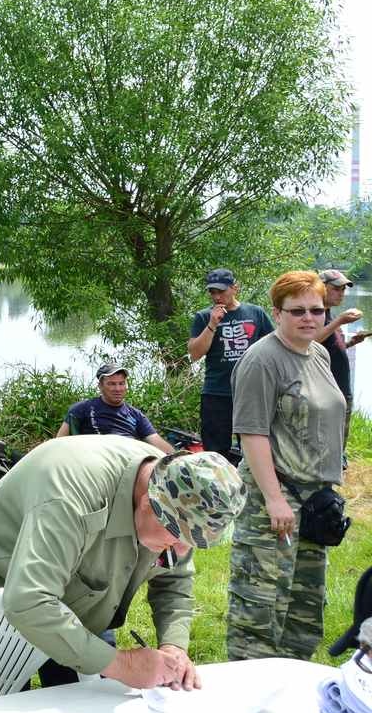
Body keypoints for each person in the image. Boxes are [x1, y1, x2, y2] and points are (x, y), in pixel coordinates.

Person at [0, 437, 242, 689]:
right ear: (147, 503)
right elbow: (28, 601)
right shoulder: (70, 496)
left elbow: (174, 581)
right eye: (178, 536)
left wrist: (173, 646)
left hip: (84, 590)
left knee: (84, 704)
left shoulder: (179, 497)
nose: (182, 550)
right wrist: (124, 665)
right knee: (0, 705)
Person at [226, 270, 349, 661]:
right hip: (274, 496)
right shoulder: (262, 360)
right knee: (260, 604)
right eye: (297, 311)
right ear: (277, 313)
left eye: (316, 309)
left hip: (316, 498)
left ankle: (294, 681)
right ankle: (248, 682)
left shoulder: (319, 354)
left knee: (304, 605)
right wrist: (274, 499)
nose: (308, 318)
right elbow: (252, 433)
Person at [188, 267, 274, 460]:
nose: (217, 297)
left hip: (251, 393)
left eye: (221, 291)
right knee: (215, 453)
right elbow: (194, 354)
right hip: (217, 392)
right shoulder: (203, 317)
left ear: (235, 288)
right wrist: (212, 324)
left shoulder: (255, 313)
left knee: (255, 448)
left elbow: (273, 347)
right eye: (212, 292)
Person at [54, 361, 175, 453]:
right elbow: (58, 442)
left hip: (128, 459)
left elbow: (155, 440)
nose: (118, 389)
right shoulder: (81, 409)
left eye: (121, 383)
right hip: (95, 457)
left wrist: (178, 457)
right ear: (100, 386)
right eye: (111, 384)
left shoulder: (136, 415)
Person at [318, 269, 364, 415]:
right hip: (325, 394)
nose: (341, 293)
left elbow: (328, 346)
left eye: (343, 289)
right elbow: (308, 343)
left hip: (341, 390)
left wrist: (350, 343)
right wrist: (340, 321)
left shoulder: (329, 315)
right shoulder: (313, 316)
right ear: (320, 288)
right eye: (336, 289)